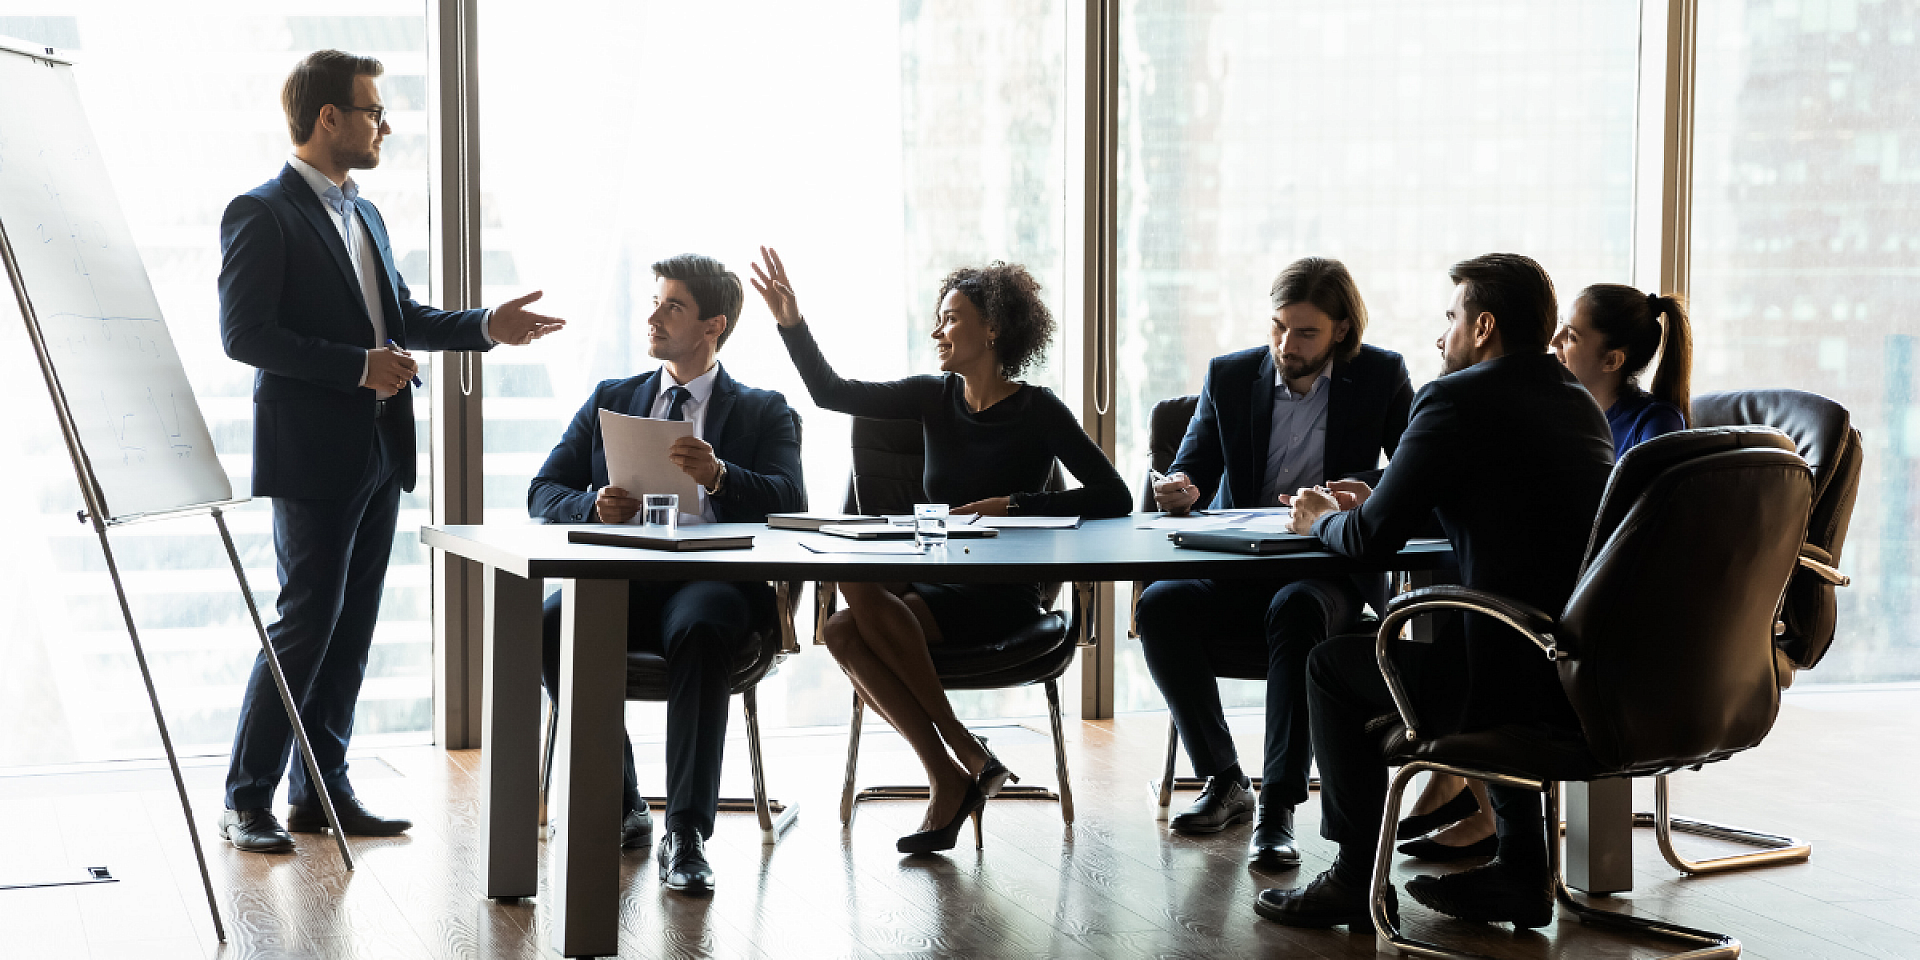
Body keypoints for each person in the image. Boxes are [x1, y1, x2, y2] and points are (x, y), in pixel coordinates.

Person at [217, 49, 563, 854]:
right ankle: (247, 798)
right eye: (373, 111)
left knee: (352, 626)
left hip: (380, 448)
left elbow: (399, 313)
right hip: (311, 452)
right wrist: (356, 368)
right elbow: (245, 334)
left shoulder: (363, 213)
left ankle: (320, 790)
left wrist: (485, 326)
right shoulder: (261, 212)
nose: (385, 125)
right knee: (305, 622)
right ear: (328, 117)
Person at [1257, 253, 1612, 930]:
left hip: (1504, 675)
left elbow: (1367, 543)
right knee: (1471, 652)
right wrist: (1386, 497)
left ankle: (1355, 880)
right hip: (1576, 671)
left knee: (1332, 667)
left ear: (1483, 327)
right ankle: (1522, 869)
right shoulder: (1577, 403)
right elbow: (1504, 501)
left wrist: (1321, 518)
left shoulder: (1454, 398)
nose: (1440, 335)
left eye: (1450, 318)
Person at [750, 246, 1132, 855]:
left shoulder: (1039, 411)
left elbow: (1115, 496)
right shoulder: (934, 395)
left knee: (851, 619)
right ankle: (956, 766)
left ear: (992, 329)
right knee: (845, 628)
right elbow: (830, 392)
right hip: (932, 582)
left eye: (951, 317)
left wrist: (1016, 505)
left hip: (1005, 595)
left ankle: (960, 765)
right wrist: (791, 322)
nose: (938, 330)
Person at [528, 254, 804, 896]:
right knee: (551, 622)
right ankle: (626, 798)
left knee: (702, 626)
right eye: (654, 302)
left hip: (713, 581)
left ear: (714, 324)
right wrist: (592, 501)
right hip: (624, 579)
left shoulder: (764, 410)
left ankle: (686, 833)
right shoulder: (612, 399)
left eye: (671, 306)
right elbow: (543, 489)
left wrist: (722, 476)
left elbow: (790, 499)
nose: (652, 316)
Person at [1400, 282, 1692, 862]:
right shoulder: (1553, 408)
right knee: (1464, 612)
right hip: (1561, 598)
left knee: (1484, 635)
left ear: (1612, 360)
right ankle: (1471, 789)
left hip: (1606, 614)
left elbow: (1637, 534)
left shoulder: (1652, 427)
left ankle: (1474, 794)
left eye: (1572, 335)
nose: (1555, 342)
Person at [1136, 257, 1412, 870]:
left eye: (1305, 332)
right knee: (1160, 605)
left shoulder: (1381, 375)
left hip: (1326, 567)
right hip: (1241, 566)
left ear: (1341, 329)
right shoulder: (1230, 376)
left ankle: (1279, 807)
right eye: (1279, 328)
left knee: (1296, 609)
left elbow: (1410, 474)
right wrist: (1180, 487)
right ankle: (1225, 780)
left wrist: (1355, 491)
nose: (1287, 345)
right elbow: (1193, 468)